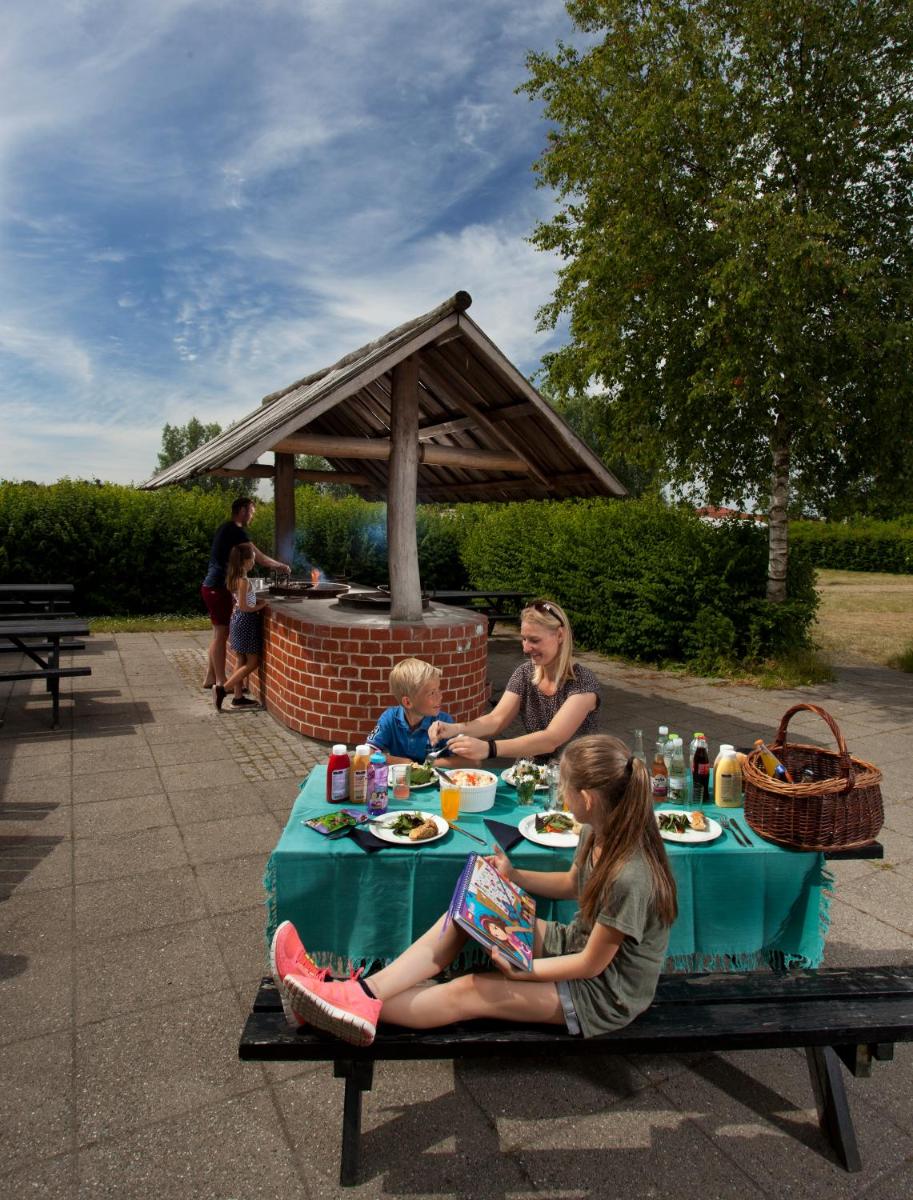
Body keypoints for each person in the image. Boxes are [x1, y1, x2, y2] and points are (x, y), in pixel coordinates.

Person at [270, 734, 678, 1046]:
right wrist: (513, 876)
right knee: (465, 913)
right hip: (574, 946)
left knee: (471, 990)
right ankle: (350, 995)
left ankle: (335, 1000)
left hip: (605, 995)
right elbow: (574, 884)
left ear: (586, 799)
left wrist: (524, 971)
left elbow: (591, 965)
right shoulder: (597, 830)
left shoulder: (630, 875)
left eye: (564, 787)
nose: (560, 794)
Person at [428, 598, 601, 765]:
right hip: (530, 771)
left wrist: (489, 749)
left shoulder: (583, 682)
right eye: (524, 639)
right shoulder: (525, 673)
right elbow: (496, 719)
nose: (526, 648)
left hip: (574, 774)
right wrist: (455, 729)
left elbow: (551, 739)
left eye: (534, 640)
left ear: (560, 635)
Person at [200, 497, 289, 690]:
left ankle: (210, 677)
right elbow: (259, 557)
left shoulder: (226, 527)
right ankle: (221, 682)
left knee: (218, 633)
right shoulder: (236, 530)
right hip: (217, 588)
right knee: (221, 635)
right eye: (252, 511)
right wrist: (281, 566)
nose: (253, 515)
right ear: (242, 511)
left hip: (211, 587)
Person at [365, 658, 475, 767]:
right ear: (408, 702)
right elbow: (367, 753)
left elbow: (472, 761)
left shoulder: (444, 722)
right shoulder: (389, 719)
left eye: (438, 689)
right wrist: (404, 762)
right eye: (432, 693)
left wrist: (430, 764)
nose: (440, 696)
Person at [214, 545, 269, 711]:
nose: (254, 562)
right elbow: (245, 607)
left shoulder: (235, 577)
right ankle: (222, 690)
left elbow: (241, 602)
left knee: (240, 660)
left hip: (237, 620)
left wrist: (256, 601)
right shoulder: (243, 580)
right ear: (245, 561)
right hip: (246, 622)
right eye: (252, 559)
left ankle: (238, 699)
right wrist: (263, 605)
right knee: (252, 662)